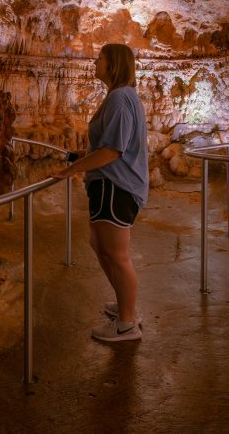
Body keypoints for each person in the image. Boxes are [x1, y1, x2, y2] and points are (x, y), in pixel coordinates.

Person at [52, 43, 149, 342]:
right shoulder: (120, 97)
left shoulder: (120, 98)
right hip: (109, 184)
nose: (95, 62)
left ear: (114, 64)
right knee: (99, 245)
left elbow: (112, 151)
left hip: (115, 186)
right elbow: (106, 145)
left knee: (117, 255)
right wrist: (77, 157)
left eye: (100, 58)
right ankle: (124, 304)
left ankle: (127, 324)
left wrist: (71, 171)